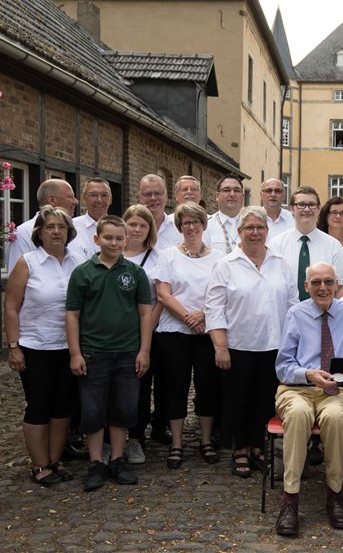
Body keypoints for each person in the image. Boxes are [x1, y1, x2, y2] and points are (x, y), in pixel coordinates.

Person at [206, 206, 296, 479]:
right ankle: (239, 450)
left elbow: (293, 305)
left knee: (266, 400)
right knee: (237, 400)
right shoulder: (226, 265)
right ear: (239, 232)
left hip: (274, 346)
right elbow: (214, 308)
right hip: (238, 346)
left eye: (260, 228)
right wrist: (220, 346)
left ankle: (259, 446)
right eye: (249, 228)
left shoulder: (280, 262)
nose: (255, 233)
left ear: (267, 232)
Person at [274, 262, 343, 537]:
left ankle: (335, 494)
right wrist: (308, 374)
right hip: (297, 388)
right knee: (299, 414)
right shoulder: (296, 314)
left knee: (336, 417)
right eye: (316, 283)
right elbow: (282, 366)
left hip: (336, 391)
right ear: (306, 287)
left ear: (337, 285)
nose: (322, 287)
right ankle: (290, 499)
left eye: (328, 282)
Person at [66, 215, 154, 492]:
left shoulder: (135, 273)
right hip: (93, 353)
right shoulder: (83, 272)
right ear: (97, 239)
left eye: (119, 238)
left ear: (125, 240)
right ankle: (96, 463)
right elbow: (72, 315)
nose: (114, 242)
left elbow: (144, 312)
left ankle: (117, 459)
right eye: (108, 237)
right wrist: (75, 353)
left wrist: (144, 350)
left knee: (123, 408)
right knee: (92, 410)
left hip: (127, 352)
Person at [5, 205, 83, 486]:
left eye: (61, 227)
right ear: (39, 232)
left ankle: (54, 459)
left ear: (69, 232)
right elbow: (12, 306)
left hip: (68, 347)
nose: (56, 231)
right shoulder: (28, 262)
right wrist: (14, 346)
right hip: (35, 346)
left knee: (63, 407)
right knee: (38, 405)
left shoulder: (77, 262)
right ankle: (39, 465)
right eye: (50, 227)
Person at [154, 203, 225, 468]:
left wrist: (203, 314)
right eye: (186, 223)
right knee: (176, 386)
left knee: (208, 387)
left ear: (204, 225)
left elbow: (222, 292)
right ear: (180, 227)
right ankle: (177, 442)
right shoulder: (168, 255)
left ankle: (205, 440)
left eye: (196, 222)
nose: (191, 227)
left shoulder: (219, 257)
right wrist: (188, 317)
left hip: (208, 329)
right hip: (175, 331)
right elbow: (163, 293)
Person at [121, 204, 162, 464]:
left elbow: (160, 298)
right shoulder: (111, 252)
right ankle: (109, 438)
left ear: (150, 230)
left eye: (143, 225)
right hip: (115, 334)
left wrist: (148, 327)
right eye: (132, 224)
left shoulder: (157, 258)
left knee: (140, 386)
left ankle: (136, 437)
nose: (137, 229)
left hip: (146, 332)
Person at [268, 187, 343, 300]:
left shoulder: (333, 246)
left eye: (311, 204)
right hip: (284, 314)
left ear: (318, 209)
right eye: (301, 204)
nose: (307, 209)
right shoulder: (276, 244)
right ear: (292, 209)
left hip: (323, 314)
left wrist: (329, 311)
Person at [6, 179, 79, 275]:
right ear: (52, 200)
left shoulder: (73, 228)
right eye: (70, 197)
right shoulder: (23, 233)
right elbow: (15, 278)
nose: (76, 201)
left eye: (61, 227)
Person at [71, 178, 112, 258]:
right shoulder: (72, 227)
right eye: (93, 195)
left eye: (104, 195)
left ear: (110, 199)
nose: (99, 200)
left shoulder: (121, 228)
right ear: (84, 199)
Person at [204, 174, 245, 254]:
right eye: (226, 190)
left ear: (242, 196)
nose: (232, 194)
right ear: (217, 196)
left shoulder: (253, 226)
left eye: (236, 190)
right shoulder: (206, 226)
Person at [138, 174, 179, 251]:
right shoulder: (130, 230)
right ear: (140, 197)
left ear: (166, 196)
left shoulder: (179, 229)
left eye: (158, 193)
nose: (153, 198)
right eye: (148, 194)